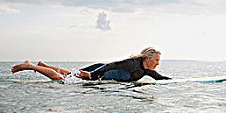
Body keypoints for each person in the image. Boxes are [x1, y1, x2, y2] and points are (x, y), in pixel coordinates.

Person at [11, 47, 171, 82]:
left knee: (68, 75)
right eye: (156, 60)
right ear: (147, 58)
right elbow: (111, 65)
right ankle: (30, 66)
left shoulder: (146, 71)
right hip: (99, 70)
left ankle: (43, 64)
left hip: (99, 75)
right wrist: (92, 74)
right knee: (61, 80)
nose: (158, 63)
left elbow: (160, 77)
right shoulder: (132, 63)